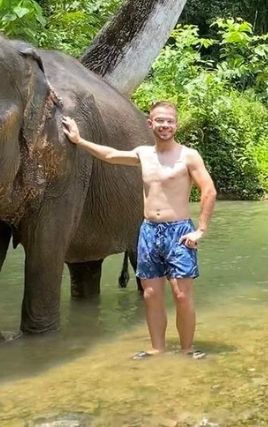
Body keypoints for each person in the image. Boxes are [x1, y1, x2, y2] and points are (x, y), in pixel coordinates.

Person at [61, 101, 217, 360]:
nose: (165, 125)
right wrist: (79, 140)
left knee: (180, 294)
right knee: (152, 294)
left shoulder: (188, 156)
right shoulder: (144, 154)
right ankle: (157, 349)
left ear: (175, 125)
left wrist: (200, 230)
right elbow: (109, 155)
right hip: (148, 232)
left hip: (179, 233)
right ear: (150, 124)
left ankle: (188, 349)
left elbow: (208, 190)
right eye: (160, 120)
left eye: (169, 121)